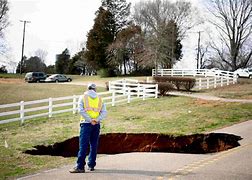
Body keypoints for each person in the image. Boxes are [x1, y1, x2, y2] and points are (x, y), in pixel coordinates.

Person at [70, 83, 107, 173]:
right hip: (96, 124)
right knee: (93, 145)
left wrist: (90, 120)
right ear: (95, 89)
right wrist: (96, 120)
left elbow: (81, 110)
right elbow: (104, 112)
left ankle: (80, 166)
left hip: (86, 124)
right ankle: (91, 165)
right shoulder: (100, 99)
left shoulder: (83, 97)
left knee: (83, 145)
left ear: (87, 88)